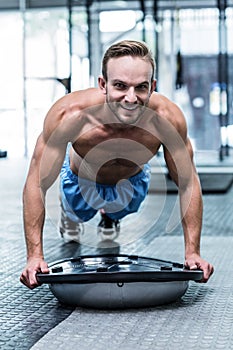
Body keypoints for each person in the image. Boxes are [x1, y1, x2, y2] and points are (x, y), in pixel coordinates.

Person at [20, 40, 214, 289]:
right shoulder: (69, 115)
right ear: (103, 84)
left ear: (152, 87)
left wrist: (193, 253)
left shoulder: (168, 120)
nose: (131, 98)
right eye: (120, 86)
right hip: (81, 181)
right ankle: (71, 214)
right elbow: (36, 183)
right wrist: (34, 256)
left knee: (121, 208)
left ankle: (110, 216)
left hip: (132, 182)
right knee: (79, 213)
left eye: (141, 88)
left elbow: (188, 182)